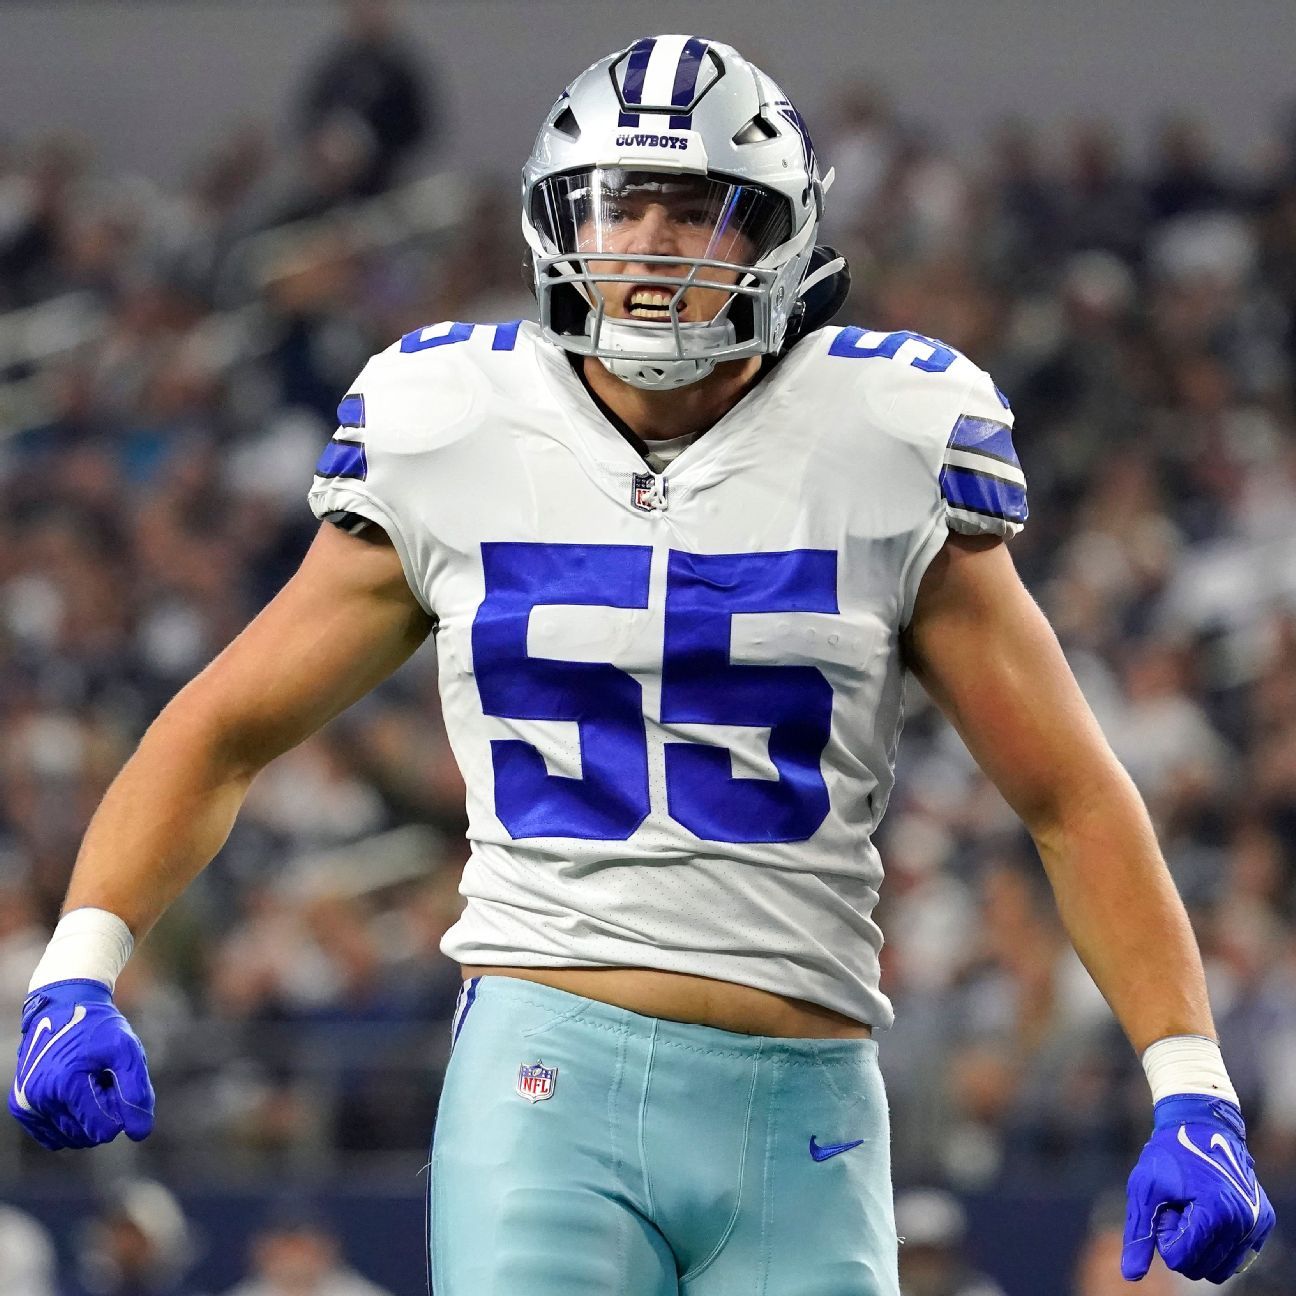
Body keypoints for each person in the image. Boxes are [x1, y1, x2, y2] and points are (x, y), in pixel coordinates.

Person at [8, 33, 1275, 1296]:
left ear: (780, 234)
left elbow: (1069, 794)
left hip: (808, 1103)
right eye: (622, 205)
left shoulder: (888, 438)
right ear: (562, 221)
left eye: (699, 208)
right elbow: (223, 727)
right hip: (546, 1079)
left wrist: (1191, 1081)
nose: (654, 244)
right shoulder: (450, 425)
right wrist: (78, 964)